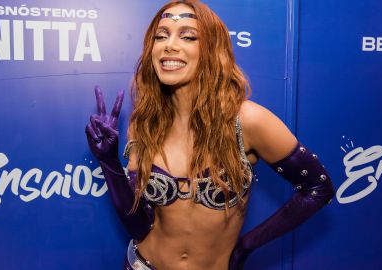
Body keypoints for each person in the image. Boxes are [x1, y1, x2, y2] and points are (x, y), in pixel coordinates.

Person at [85, 1, 335, 269]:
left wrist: (245, 246)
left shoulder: (247, 120)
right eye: (161, 35)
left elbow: (318, 188)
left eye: (188, 36)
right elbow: (139, 227)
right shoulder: (145, 122)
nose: (169, 44)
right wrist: (109, 162)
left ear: (212, 49)